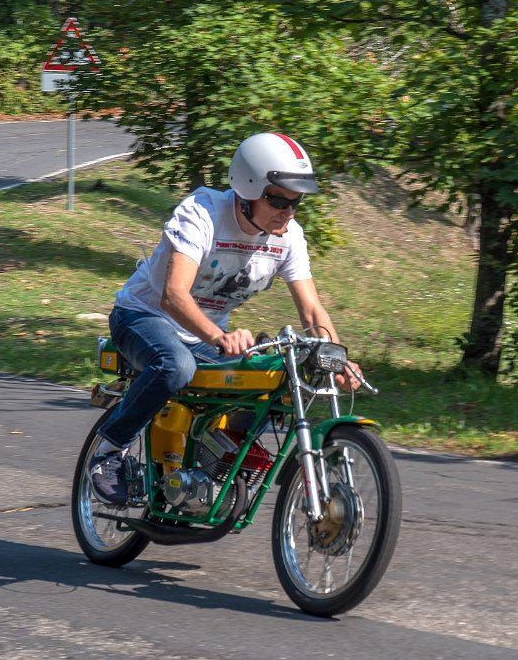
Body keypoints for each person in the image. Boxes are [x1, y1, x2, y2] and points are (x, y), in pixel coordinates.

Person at [90, 132, 360, 505]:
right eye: (278, 199)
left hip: (204, 334)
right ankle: (109, 451)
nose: (288, 211)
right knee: (175, 365)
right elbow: (173, 295)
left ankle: (218, 454)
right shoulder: (202, 213)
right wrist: (218, 337)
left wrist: (337, 358)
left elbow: (312, 311)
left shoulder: (289, 238)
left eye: (296, 201)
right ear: (248, 188)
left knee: (278, 373)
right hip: (143, 316)